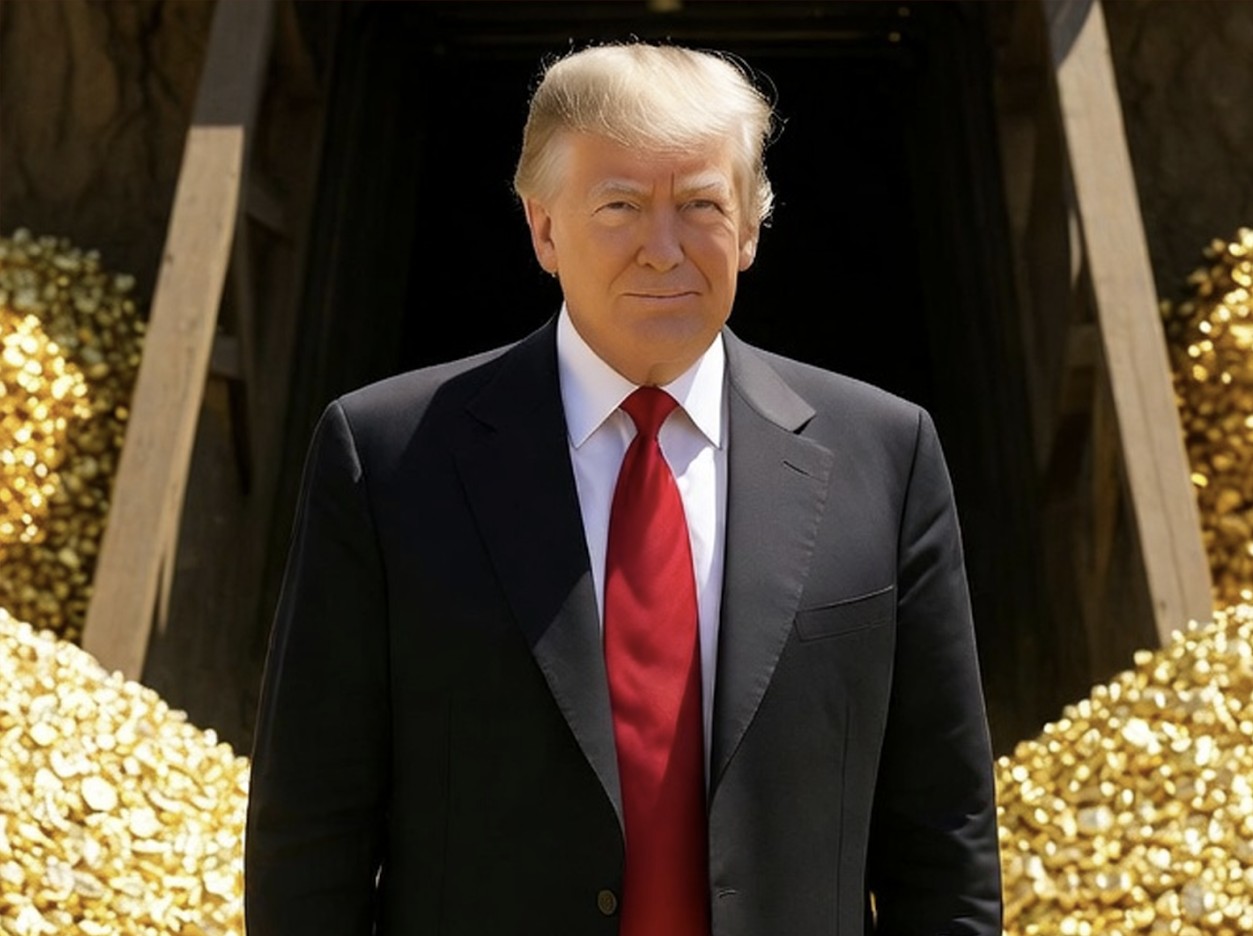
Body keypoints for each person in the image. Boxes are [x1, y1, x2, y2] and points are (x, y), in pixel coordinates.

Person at [245, 42, 1002, 935]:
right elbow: (311, 827)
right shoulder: (388, 457)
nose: (662, 249)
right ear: (543, 228)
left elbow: (942, 836)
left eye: (700, 206)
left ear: (751, 227)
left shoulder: (886, 453)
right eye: (620, 206)